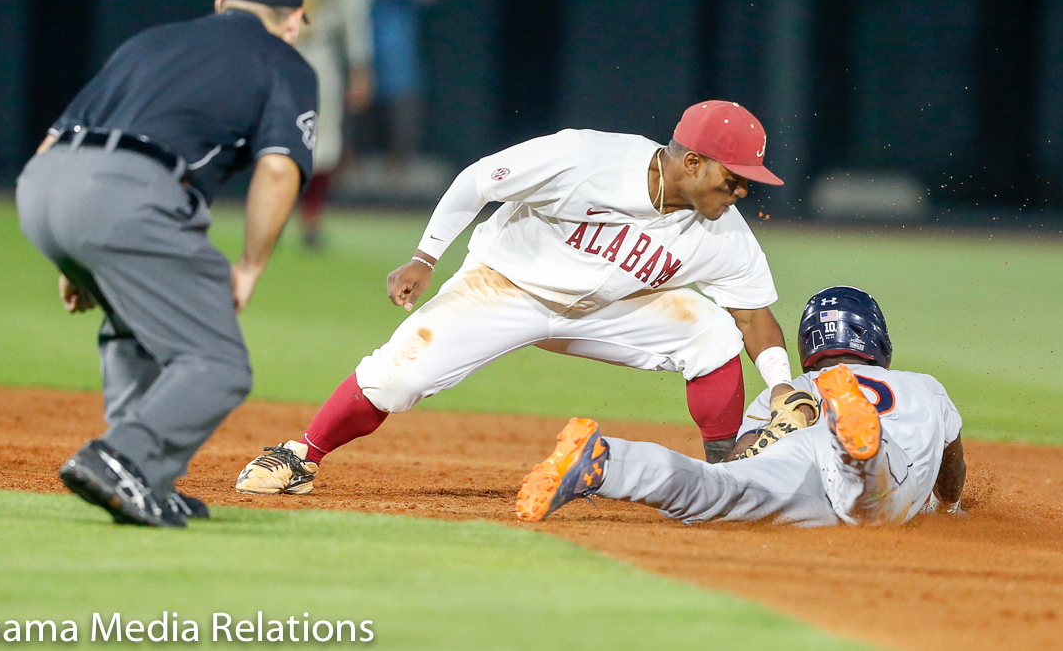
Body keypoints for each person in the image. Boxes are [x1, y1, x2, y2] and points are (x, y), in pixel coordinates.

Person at [235, 101, 795, 496]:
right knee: (397, 378)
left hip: (603, 311)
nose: (742, 190)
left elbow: (753, 317)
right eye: (734, 177)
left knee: (712, 333)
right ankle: (301, 455)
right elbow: (478, 181)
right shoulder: (585, 158)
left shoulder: (721, 231)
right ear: (692, 162)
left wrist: (781, 388)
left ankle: (725, 477)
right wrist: (426, 257)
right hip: (506, 286)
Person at [15, 0, 318, 527]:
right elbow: (279, 168)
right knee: (219, 363)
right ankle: (122, 458)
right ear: (294, 20)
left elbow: (52, 143)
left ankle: (144, 480)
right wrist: (250, 266)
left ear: (222, 4)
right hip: (127, 195)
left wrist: (75, 255)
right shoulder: (285, 60)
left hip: (42, 187)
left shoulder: (148, 43)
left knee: (136, 325)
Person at [515, 286, 967, 527]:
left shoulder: (788, 391)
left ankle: (605, 461)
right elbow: (952, 470)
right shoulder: (923, 386)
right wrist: (948, 505)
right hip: (884, 464)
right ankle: (857, 445)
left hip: (804, 459)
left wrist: (762, 444)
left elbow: (741, 454)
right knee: (872, 504)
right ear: (877, 339)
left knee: (721, 490)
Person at [247, 0, 373, 249]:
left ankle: (311, 220)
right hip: (274, 46)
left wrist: (360, 68)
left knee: (325, 139)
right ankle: (267, 212)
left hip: (318, 48)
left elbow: (355, 15)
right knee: (266, 132)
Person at [359, 0, 462, 169]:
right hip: (366, 79)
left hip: (402, 81)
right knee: (358, 143)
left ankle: (397, 181)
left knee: (402, 139)